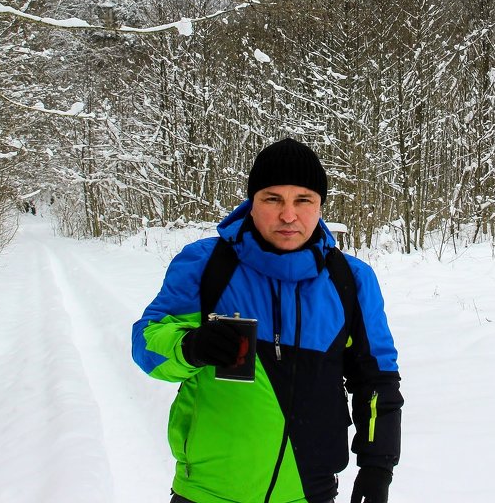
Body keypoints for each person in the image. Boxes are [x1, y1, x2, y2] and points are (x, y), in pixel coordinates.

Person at [132, 138, 403, 503]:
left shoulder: (350, 280)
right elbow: (147, 345)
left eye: (303, 200)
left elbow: (377, 381)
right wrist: (190, 346)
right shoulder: (206, 264)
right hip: (208, 490)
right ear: (252, 202)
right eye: (273, 199)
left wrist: (377, 467)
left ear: (321, 205)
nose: (288, 215)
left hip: (309, 492)